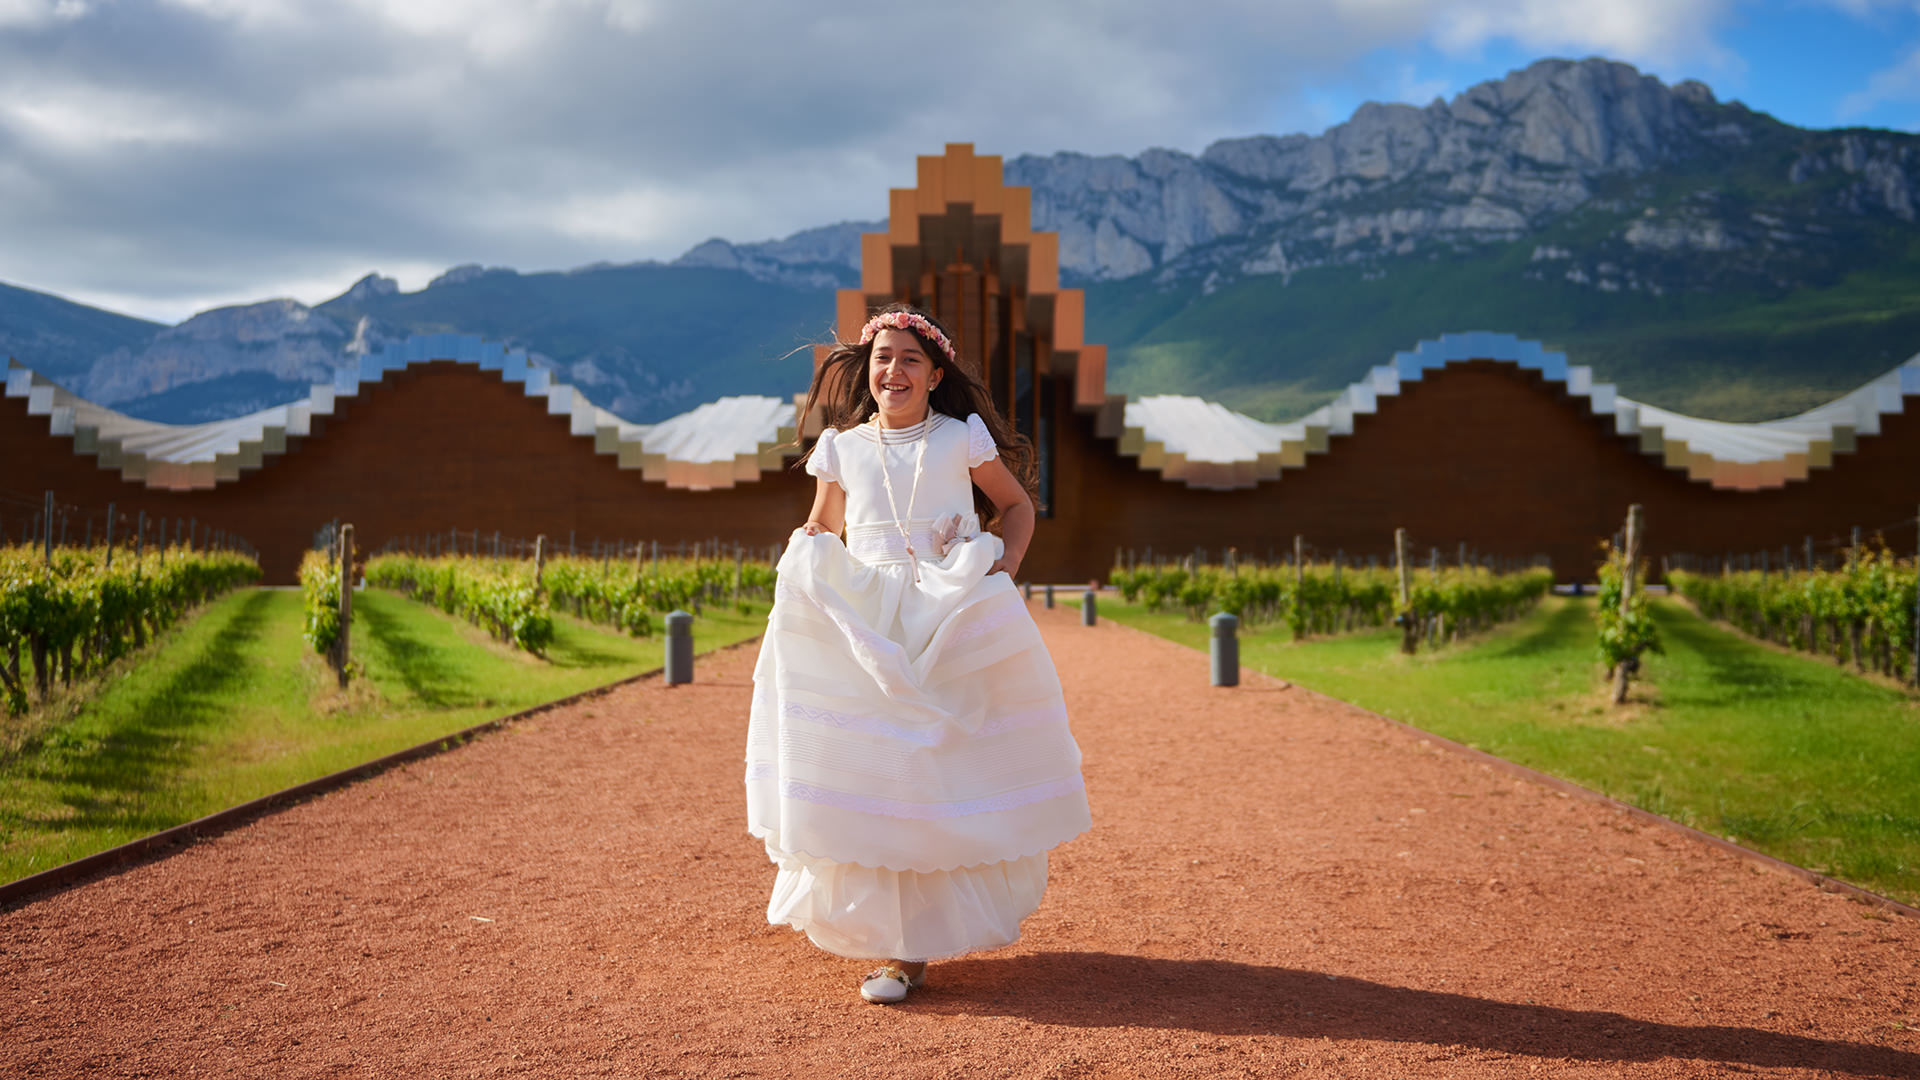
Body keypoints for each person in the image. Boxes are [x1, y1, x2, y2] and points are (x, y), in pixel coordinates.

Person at [745, 304, 1091, 1004]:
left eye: (908, 359)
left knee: (937, 767)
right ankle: (896, 946)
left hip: (945, 608)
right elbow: (825, 521)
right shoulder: (841, 448)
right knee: (876, 772)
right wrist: (807, 545)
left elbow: (1017, 508)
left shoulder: (960, 439)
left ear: (935, 375)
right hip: (869, 615)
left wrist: (1004, 566)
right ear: (865, 372)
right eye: (882, 358)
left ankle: (911, 947)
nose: (892, 370)